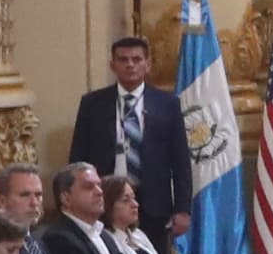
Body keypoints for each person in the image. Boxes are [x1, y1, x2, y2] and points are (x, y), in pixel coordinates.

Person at [66, 34, 195, 238]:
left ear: (148, 64)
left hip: (154, 203)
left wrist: (183, 208)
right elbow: (78, 158)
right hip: (105, 198)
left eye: (137, 59)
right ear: (112, 65)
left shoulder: (167, 104)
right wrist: (76, 200)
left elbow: (180, 161)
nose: (130, 65)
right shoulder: (93, 104)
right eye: (123, 60)